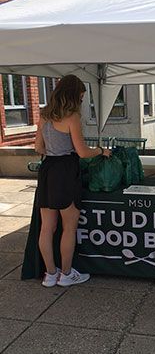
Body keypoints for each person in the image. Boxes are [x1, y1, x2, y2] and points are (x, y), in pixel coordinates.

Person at [35, 74, 111, 288]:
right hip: (66, 172)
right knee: (69, 228)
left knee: (47, 228)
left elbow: (38, 147)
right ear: (74, 95)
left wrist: (52, 149)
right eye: (81, 96)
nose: (82, 100)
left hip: (48, 170)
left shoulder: (44, 115)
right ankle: (66, 274)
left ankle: (50, 275)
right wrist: (102, 151)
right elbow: (82, 152)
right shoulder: (72, 118)